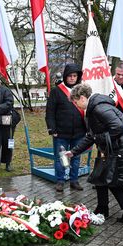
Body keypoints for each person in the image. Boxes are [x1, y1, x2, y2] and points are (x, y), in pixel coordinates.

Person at [65, 83, 123, 225]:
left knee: (113, 182)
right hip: (115, 148)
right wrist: (73, 152)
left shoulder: (99, 108)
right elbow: (91, 135)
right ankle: (102, 208)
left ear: (83, 98)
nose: (75, 105)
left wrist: (99, 138)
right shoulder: (93, 109)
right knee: (100, 178)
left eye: (75, 101)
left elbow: (117, 127)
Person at [45, 63, 86, 192]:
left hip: (79, 132)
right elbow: (50, 112)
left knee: (76, 157)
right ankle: (60, 181)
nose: (72, 78)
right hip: (61, 133)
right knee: (61, 158)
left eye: (75, 76)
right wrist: (52, 129)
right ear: (65, 77)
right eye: (70, 76)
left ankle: (74, 180)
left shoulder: (82, 91)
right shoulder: (57, 91)